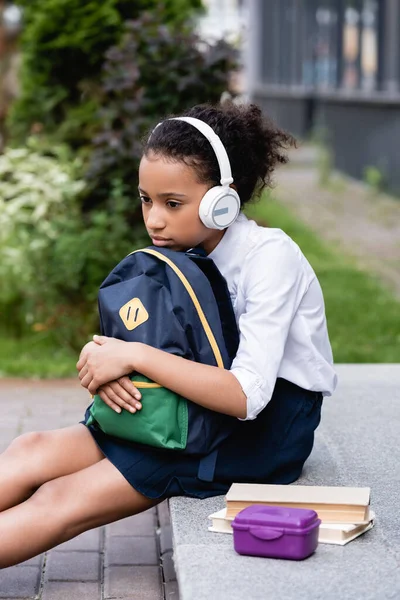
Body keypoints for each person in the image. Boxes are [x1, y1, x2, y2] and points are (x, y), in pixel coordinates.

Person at [0, 102, 337, 568]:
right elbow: (154, 341)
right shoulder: (183, 250)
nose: (154, 219)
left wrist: (136, 357)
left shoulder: (269, 259)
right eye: (146, 200)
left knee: (61, 499)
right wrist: (105, 360)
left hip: (259, 431)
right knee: (29, 448)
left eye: (172, 203)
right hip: (187, 409)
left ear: (225, 201)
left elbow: (247, 397)